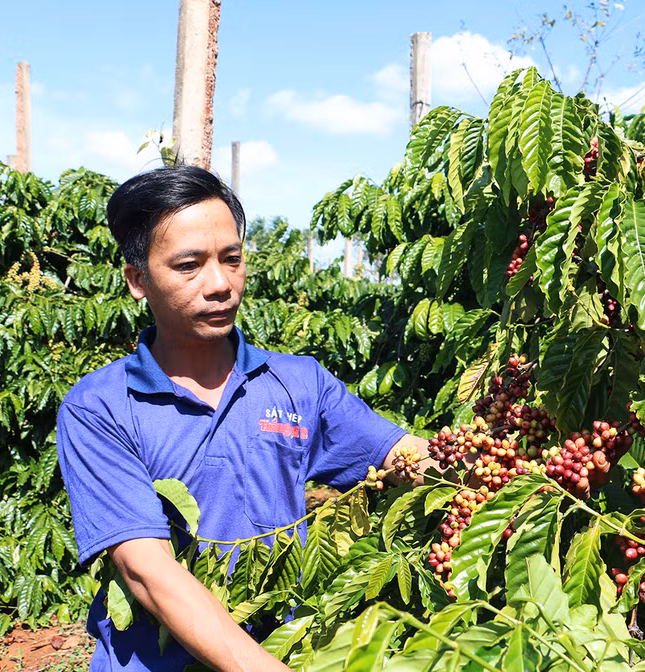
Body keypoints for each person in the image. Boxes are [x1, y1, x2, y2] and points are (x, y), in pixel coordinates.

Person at [56, 165, 430, 671]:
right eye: (189, 266)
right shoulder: (99, 407)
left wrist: (498, 468)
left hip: (285, 647)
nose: (220, 284)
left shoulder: (300, 382)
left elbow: (403, 456)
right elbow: (147, 572)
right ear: (138, 280)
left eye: (232, 260)